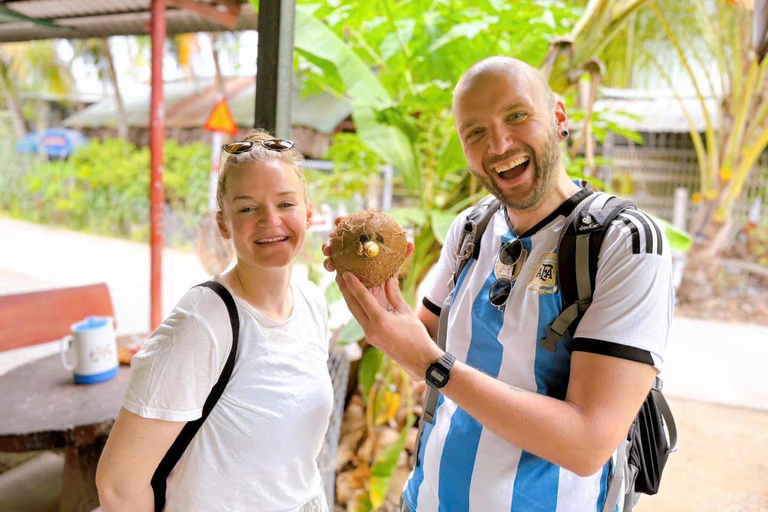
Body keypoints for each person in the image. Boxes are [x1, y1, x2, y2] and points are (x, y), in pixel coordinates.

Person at [325, 56, 673, 511]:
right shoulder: (471, 227)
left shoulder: (622, 240)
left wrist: (434, 365)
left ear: (559, 118)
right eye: (475, 132)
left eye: (516, 115)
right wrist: (374, 286)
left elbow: (587, 445)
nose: (500, 143)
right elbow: (419, 347)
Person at [96, 131, 333, 512]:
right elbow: (119, 486)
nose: (270, 220)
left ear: (308, 212)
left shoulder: (311, 303)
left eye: (285, 203)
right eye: (247, 208)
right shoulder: (202, 322)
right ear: (223, 225)